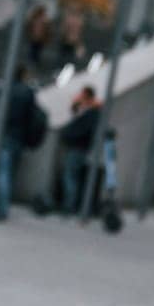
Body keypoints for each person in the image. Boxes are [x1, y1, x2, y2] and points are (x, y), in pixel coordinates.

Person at [0, 65, 41, 220]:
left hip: (3, 135)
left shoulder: (3, 89)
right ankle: (1, 206)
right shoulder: (27, 93)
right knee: (8, 173)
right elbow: (32, 118)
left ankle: (0, 207)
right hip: (17, 137)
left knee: (2, 172)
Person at [58, 85, 102, 216]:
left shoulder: (91, 113)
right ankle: (71, 204)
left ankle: (69, 206)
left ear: (87, 96)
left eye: (82, 94)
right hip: (80, 148)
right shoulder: (88, 111)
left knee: (70, 177)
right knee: (73, 177)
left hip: (78, 148)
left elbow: (80, 130)